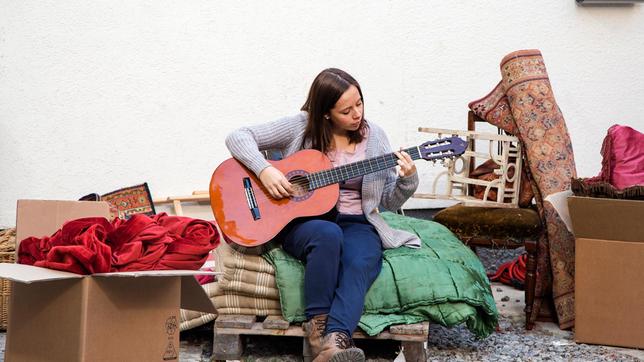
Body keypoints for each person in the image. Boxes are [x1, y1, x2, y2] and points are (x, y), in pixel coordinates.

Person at [225, 68, 421, 362]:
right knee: (327, 235)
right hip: (303, 220)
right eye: (346, 110)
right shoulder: (301, 127)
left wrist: (408, 179)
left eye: (360, 103)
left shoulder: (375, 138)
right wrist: (264, 170)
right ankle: (317, 329)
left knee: (363, 259)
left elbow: (389, 201)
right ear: (326, 113)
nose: (357, 114)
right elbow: (238, 136)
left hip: (357, 220)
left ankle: (335, 343)